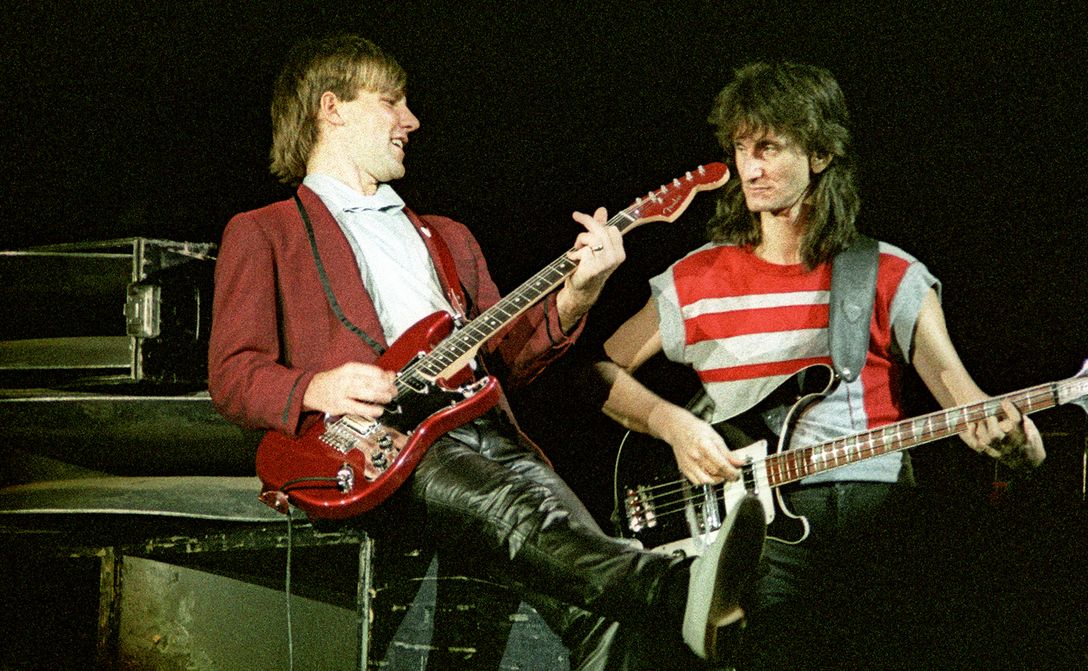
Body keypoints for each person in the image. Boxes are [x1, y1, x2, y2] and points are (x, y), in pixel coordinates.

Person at [207, 34, 765, 670]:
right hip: (370, 449)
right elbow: (232, 375)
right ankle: (675, 585)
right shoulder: (264, 232)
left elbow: (508, 362)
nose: (410, 120)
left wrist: (579, 294)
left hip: (483, 429)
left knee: (603, 616)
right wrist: (317, 388)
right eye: (391, 102)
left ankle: (670, 597)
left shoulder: (448, 238)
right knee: (514, 513)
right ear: (330, 109)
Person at [593, 61, 1046, 669]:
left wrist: (1019, 442)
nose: (749, 168)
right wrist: (673, 424)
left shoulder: (889, 273)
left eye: (770, 148)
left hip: (875, 520)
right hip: (746, 529)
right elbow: (594, 371)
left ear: (823, 154)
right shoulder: (696, 278)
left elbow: (967, 403)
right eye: (741, 148)